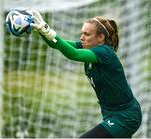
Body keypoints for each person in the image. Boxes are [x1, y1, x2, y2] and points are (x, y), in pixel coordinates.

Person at [30, 10, 142, 138]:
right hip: (111, 113)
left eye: (86, 34)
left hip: (125, 116)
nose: (81, 37)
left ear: (100, 38)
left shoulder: (105, 52)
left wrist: (47, 30)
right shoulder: (87, 47)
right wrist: (40, 29)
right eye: (82, 33)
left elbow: (73, 53)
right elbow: (56, 44)